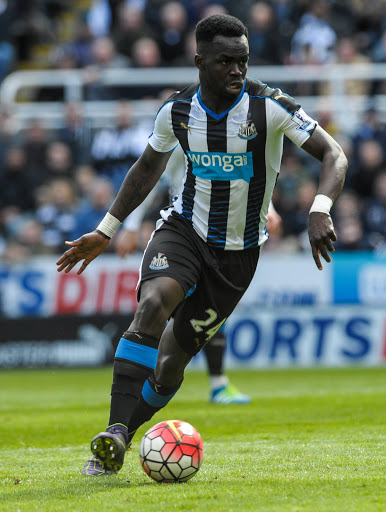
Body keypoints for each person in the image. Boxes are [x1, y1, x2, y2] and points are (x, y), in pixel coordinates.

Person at [56, 14, 347, 476]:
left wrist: (321, 207)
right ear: (200, 61)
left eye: (243, 61)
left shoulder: (270, 105)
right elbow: (147, 168)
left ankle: (126, 435)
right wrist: (107, 229)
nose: (237, 71)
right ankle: (111, 434)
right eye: (226, 62)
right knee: (154, 303)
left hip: (239, 256)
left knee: (171, 363)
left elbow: (334, 153)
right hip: (184, 230)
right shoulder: (176, 111)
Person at [115, 144, 282, 405]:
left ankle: (212, 384)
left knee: (207, 310)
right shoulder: (184, 132)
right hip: (185, 232)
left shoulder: (228, 128)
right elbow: (149, 175)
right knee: (165, 308)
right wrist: (132, 225)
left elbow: (243, 174)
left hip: (221, 235)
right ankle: (142, 383)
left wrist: (268, 206)